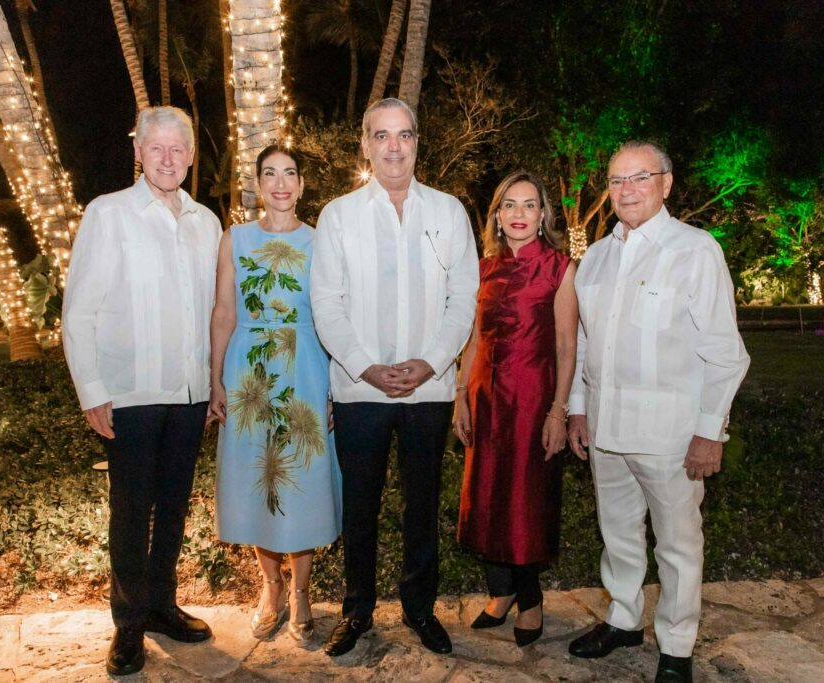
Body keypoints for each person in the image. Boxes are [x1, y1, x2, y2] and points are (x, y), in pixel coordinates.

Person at [565, 141, 750, 683]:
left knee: (677, 543)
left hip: (670, 435)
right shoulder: (596, 256)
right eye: (617, 180)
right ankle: (623, 618)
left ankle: (676, 646)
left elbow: (725, 352)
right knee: (617, 532)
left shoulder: (695, 251)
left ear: (666, 183)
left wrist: (710, 431)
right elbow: (583, 341)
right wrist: (578, 409)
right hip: (605, 427)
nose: (626, 190)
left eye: (639, 177)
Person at [310, 97, 480, 657]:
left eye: (404, 135)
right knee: (359, 506)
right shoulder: (338, 216)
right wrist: (368, 368)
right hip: (360, 391)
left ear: (416, 142)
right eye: (381, 136)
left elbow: (463, 299)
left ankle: (419, 609)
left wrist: (430, 363)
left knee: (421, 505)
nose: (393, 147)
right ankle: (357, 611)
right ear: (365, 144)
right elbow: (326, 305)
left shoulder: (449, 212)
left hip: (428, 391)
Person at [62, 106, 220, 676]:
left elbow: (212, 313)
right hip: (129, 393)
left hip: (188, 393)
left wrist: (212, 385)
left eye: (179, 148)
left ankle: (160, 605)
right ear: (139, 152)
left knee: (174, 506)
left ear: (191, 155)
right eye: (157, 148)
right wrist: (92, 389)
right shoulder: (109, 214)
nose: (169, 158)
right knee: (131, 510)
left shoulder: (206, 222)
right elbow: (79, 311)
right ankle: (128, 624)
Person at [209, 145, 341, 646]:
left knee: (301, 481)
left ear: (303, 184)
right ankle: (271, 587)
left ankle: (303, 592)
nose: (281, 183)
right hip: (249, 372)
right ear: (258, 184)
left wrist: (334, 386)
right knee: (258, 476)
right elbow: (223, 311)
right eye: (270, 174)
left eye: (290, 174)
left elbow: (331, 317)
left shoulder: (321, 241)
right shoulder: (235, 239)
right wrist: (216, 378)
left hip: (305, 366)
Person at [453, 171, 578, 647]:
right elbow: (471, 338)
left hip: (531, 400)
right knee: (486, 496)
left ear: (543, 214)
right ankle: (500, 591)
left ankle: (531, 599)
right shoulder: (482, 269)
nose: (520, 214)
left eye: (529, 205)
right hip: (485, 400)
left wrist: (558, 411)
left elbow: (567, 347)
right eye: (510, 205)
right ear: (497, 217)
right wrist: (460, 396)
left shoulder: (560, 268)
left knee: (523, 500)